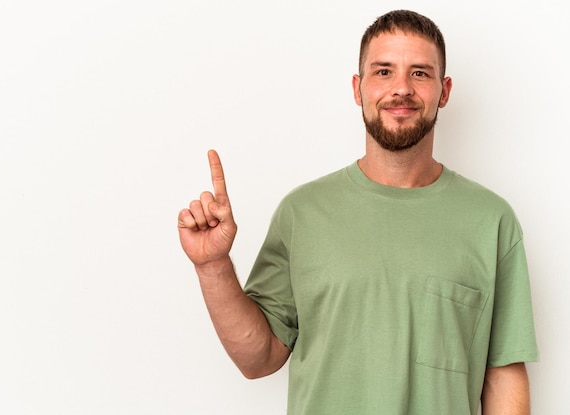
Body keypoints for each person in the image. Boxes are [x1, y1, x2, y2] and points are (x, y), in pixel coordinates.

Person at [177, 9, 538, 415]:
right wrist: (213, 266)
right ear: (357, 87)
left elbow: (503, 373)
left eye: (420, 73)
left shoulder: (491, 220)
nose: (401, 88)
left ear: (445, 90)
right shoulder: (302, 213)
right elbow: (258, 359)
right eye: (383, 71)